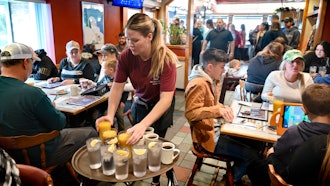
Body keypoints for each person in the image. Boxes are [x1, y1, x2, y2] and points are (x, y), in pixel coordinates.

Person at [95, 13, 177, 186]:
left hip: (160, 107)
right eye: (128, 39)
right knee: (136, 144)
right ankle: (136, 176)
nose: (129, 44)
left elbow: (166, 99)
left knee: (155, 146)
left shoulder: (165, 58)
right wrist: (110, 115)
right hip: (141, 103)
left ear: (149, 36)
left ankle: (157, 180)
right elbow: (117, 87)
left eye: (135, 40)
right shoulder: (126, 56)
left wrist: (144, 124)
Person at [0, 42, 97, 168]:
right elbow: (59, 123)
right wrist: (53, 107)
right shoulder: (33, 93)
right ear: (25, 62)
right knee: (91, 133)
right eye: (32, 63)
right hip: (40, 153)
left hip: (7, 155)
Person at [185, 48, 260, 185]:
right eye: (222, 67)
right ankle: (230, 180)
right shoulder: (198, 84)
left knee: (254, 144)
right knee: (252, 155)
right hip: (206, 138)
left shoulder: (211, 79)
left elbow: (211, 104)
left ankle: (238, 174)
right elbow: (191, 113)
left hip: (215, 128)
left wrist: (222, 107)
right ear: (209, 67)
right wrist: (217, 110)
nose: (224, 70)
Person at [247, 84, 330, 186]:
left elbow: (277, 151)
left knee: (255, 165)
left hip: (287, 176)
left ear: (304, 109)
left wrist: (271, 154)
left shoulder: (294, 132)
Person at [97, 59, 128, 132]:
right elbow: (98, 84)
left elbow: (125, 91)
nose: (103, 70)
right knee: (103, 113)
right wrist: (103, 85)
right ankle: (110, 128)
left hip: (119, 103)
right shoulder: (105, 78)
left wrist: (123, 101)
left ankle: (122, 130)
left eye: (104, 68)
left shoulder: (119, 78)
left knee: (119, 115)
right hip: (107, 102)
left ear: (111, 70)